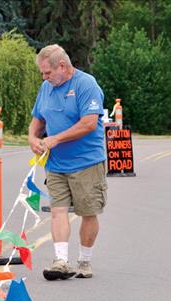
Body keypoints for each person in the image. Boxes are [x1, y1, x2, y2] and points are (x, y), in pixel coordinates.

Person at [28, 44, 107, 281]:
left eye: (48, 73)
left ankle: (84, 260)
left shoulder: (86, 85)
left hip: (86, 163)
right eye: (43, 74)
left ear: (62, 66)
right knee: (57, 211)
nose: (44, 77)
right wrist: (32, 137)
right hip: (56, 164)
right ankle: (61, 260)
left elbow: (89, 123)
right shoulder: (46, 88)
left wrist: (56, 139)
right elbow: (38, 118)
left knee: (88, 212)